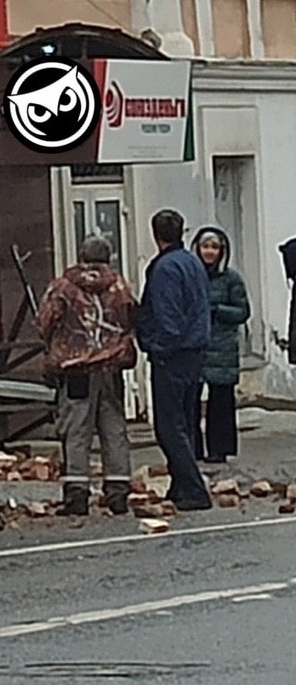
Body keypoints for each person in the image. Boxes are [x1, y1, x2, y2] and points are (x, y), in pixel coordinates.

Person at [35, 234, 137, 517]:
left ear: (82, 256)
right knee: (114, 430)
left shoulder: (63, 287)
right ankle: (117, 492)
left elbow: (45, 322)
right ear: (108, 257)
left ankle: (77, 495)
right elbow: (133, 319)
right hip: (111, 369)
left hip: (76, 369)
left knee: (76, 432)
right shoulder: (120, 287)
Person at [136, 208, 213, 512]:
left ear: (155, 235)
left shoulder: (165, 269)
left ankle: (193, 488)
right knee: (185, 422)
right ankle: (180, 486)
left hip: (174, 355)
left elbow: (169, 318)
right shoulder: (193, 263)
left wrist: (155, 346)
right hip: (195, 352)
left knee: (169, 427)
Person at [193, 227, 251, 469]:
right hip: (196, 347)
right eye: (205, 246)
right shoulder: (192, 276)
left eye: (214, 247)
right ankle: (194, 448)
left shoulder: (231, 279)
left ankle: (219, 449)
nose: (209, 252)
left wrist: (218, 310)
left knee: (221, 402)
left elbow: (243, 311)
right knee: (191, 401)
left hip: (222, 347)